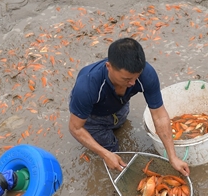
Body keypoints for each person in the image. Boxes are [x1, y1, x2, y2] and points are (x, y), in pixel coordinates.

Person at [68, 38, 190, 176]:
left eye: (135, 77)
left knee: (120, 123)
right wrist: (105, 154)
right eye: (126, 79)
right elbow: (75, 127)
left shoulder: (146, 75)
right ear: (109, 67)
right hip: (92, 117)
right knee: (112, 150)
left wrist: (172, 156)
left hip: (119, 105)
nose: (132, 83)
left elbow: (159, 115)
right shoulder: (87, 86)